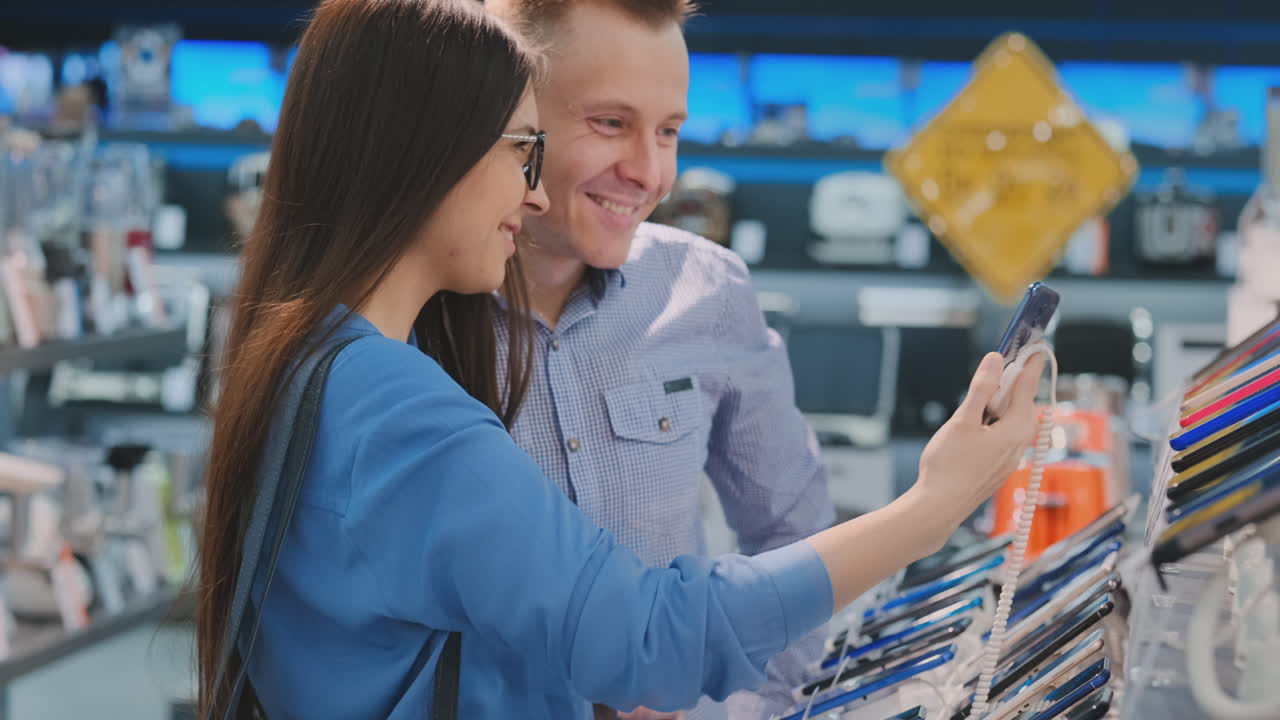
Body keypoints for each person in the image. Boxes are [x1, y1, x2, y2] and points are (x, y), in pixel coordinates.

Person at [196, 0, 1046, 718]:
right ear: (428, 151)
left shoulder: (311, 359)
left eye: (670, 130)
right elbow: (646, 636)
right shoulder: (399, 401)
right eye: (533, 143)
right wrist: (934, 507)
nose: (647, 172)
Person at [475, 0, 821, 716]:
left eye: (668, 132)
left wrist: (758, 705)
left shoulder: (710, 290)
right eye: (611, 124)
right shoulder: (411, 313)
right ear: (513, 118)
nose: (649, 172)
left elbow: (794, 537)